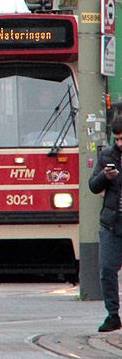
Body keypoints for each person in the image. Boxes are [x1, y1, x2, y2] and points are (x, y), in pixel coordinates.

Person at [90, 116, 122, 332]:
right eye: (118, 140)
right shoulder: (107, 155)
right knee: (107, 269)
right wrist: (105, 176)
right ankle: (113, 315)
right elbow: (93, 185)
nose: (120, 144)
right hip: (112, 222)